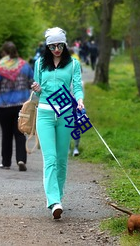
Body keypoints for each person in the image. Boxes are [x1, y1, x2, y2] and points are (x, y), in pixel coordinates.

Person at [31, 27, 84, 219]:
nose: (56, 49)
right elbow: (37, 92)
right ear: (47, 46)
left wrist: (79, 99)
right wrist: (36, 88)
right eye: (52, 46)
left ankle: (58, 197)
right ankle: (53, 201)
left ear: (65, 44)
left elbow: (77, 86)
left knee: (62, 159)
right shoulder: (39, 64)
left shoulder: (73, 64)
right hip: (44, 114)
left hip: (65, 114)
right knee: (50, 159)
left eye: (60, 45)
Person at [0, 41, 34, 171]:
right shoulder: (25, 66)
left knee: (6, 134)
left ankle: (6, 162)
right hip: (21, 105)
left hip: (4, 105)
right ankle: (21, 159)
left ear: (4, 53)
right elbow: (32, 83)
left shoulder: (0, 67)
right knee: (20, 133)